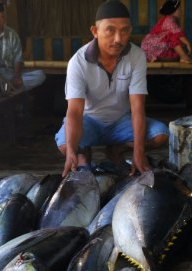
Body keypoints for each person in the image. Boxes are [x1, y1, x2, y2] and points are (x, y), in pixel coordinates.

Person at [55, 0, 169, 177]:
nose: (118, 39)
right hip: (89, 122)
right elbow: (75, 112)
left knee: (161, 134)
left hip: (120, 122)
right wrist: (71, 150)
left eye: (124, 31)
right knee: (64, 144)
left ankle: (115, 150)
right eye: (110, 30)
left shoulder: (137, 56)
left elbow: (137, 107)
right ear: (95, 31)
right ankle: (83, 155)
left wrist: (138, 151)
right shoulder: (78, 62)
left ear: (130, 30)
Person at [0, 2, 45, 91]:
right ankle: (8, 88)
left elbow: (18, 59)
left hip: (9, 74)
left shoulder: (12, 34)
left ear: (5, 17)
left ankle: (8, 87)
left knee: (40, 75)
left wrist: (17, 77)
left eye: (1, 16)